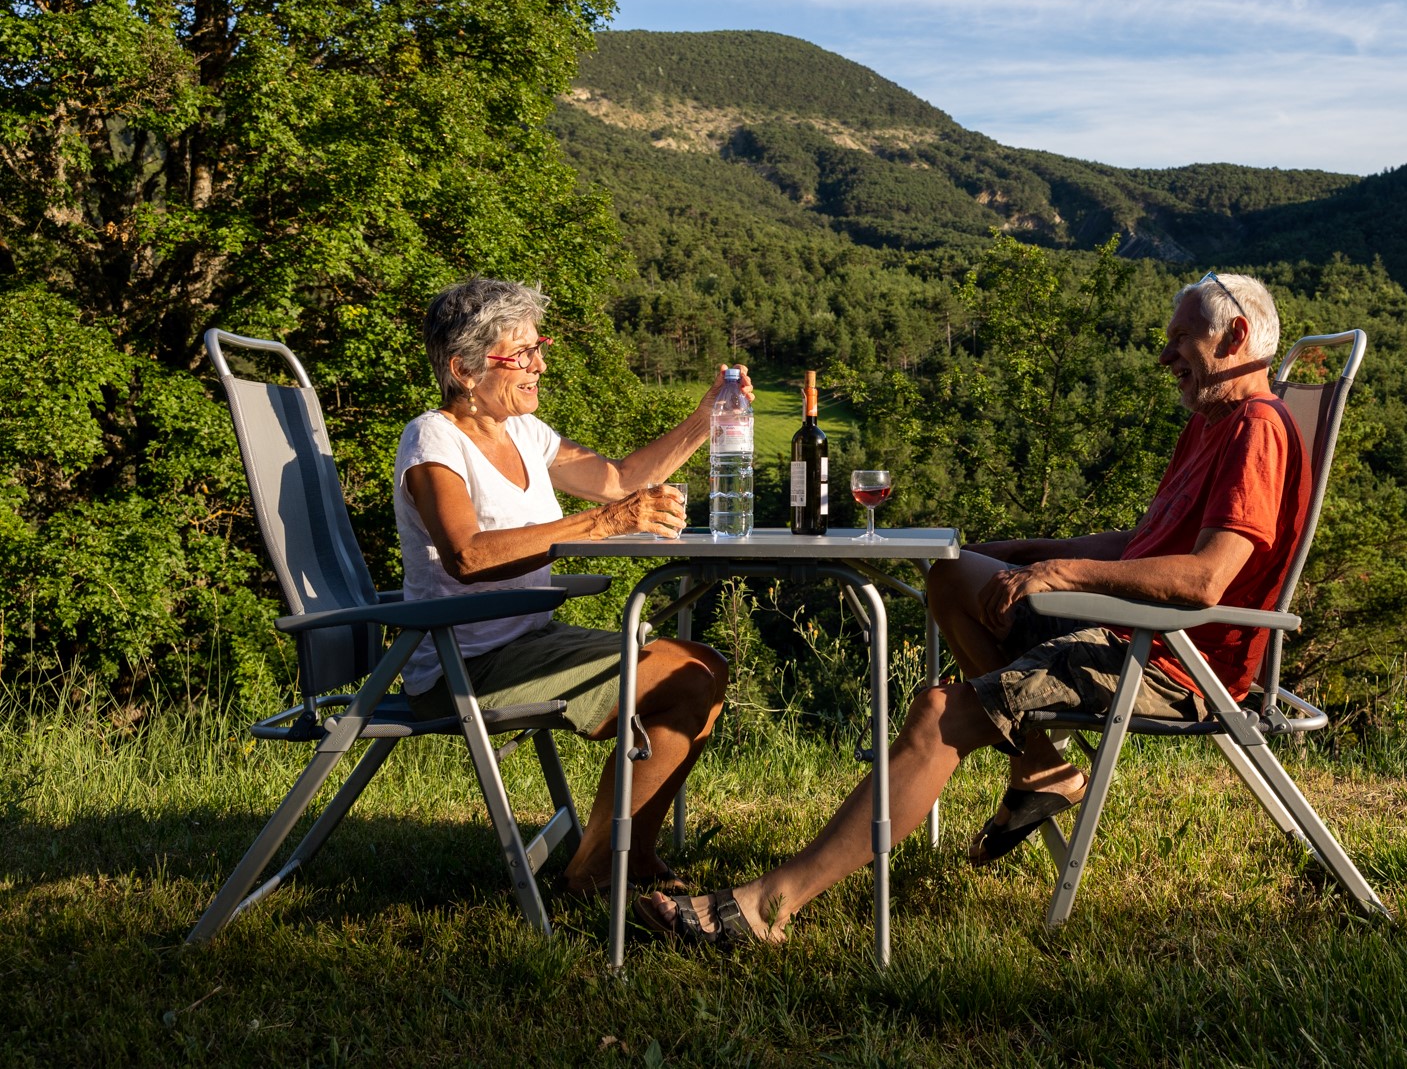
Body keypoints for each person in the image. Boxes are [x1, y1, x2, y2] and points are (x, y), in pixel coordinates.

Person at [642, 271, 1311, 944]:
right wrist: (1028, 550)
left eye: (1179, 340)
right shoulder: (1210, 423)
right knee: (953, 573)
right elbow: (1141, 545)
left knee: (940, 713)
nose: (1164, 356)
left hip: (1167, 662)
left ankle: (767, 905)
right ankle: (1040, 762)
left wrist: (1062, 572)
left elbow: (1203, 579)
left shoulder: (1256, 427)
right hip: (1128, 631)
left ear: (1237, 335)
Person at [396, 277, 750, 898]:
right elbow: (467, 556)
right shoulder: (434, 439)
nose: (540, 364)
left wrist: (705, 419)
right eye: (522, 355)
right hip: (463, 663)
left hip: (528, 636)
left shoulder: (524, 434)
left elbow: (619, 480)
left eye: (540, 347)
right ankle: (598, 871)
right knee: (686, 674)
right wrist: (608, 523)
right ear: (464, 369)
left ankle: (618, 860)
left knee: (702, 667)